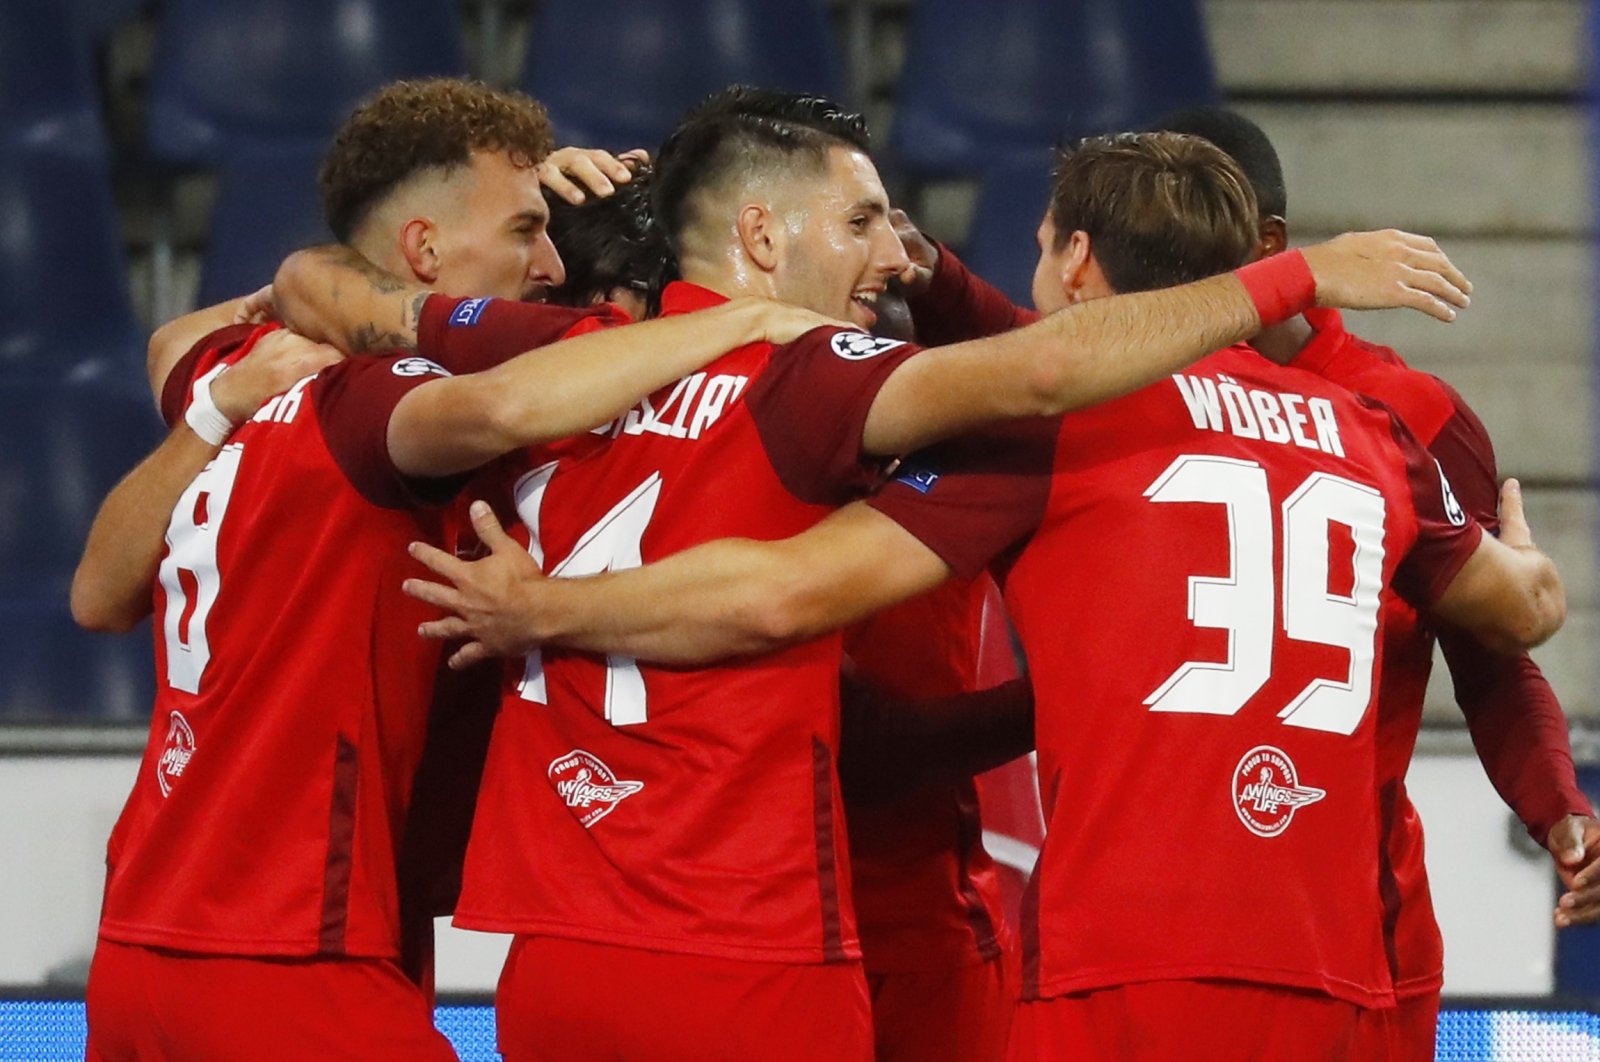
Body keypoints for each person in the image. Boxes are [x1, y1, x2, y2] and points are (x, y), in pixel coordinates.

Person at [403, 131, 1563, 1060]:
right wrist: (1525, 569)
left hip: (1118, 971)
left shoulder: (1052, 433)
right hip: (1343, 975)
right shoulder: (1374, 433)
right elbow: (1521, 613)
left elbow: (785, 590)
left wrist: (542, 608)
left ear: (1071, 266)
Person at [75, 77, 829, 1061]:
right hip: (287, 942)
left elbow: (166, 357)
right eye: (523, 231)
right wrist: (740, 321)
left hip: (141, 944)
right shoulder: (391, 399)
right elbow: (508, 408)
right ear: (424, 253)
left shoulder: (235, 363)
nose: (548, 263)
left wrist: (306, 282)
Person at [1149, 103, 1600, 1054]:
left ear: (1270, 245)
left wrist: (1558, 805)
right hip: (1140, 922)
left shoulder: (1410, 411)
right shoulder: (1102, 395)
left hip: (1356, 927)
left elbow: (1493, 652)